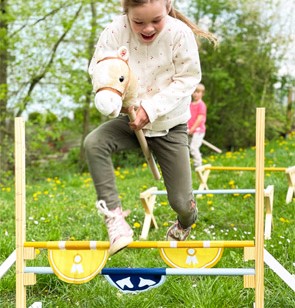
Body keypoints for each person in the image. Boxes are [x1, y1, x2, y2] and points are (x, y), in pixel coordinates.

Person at [84, 0, 217, 256]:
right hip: (131, 120)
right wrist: (114, 98)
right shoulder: (114, 31)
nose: (147, 28)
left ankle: (185, 221)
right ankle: (115, 221)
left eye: (156, 20)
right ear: (126, 12)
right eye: (138, 22)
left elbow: (188, 79)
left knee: (180, 202)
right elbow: (98, 68)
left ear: (168, 5)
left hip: (170, 124)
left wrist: (151, 109)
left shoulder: (179, 34)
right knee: (94, 142)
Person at [187, 83, 207, 168]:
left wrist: (193, 129)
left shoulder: (201, 105)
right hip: (189, 130)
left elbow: (199, 119)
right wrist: (188, 128)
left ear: (202, 93)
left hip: (198, 131)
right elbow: (187, 117)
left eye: (198, 92)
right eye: (194, 92)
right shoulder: (190, 105)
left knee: (194, 148)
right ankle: (186, 166)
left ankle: (198, 165)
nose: (195, 94)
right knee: (185, 148)